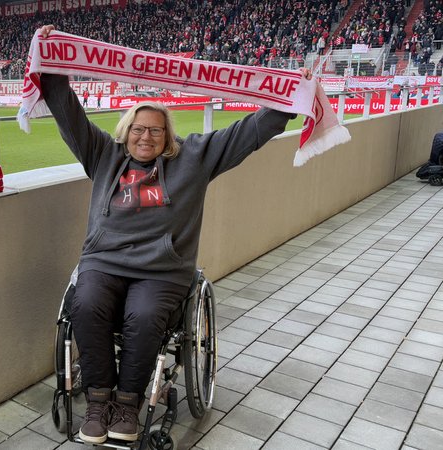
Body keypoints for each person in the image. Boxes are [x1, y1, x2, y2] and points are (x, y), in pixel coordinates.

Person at [35, 24, 311, 445]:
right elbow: (67, 113)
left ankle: (127, 405)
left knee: (144, 317)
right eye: (138, 129)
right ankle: (97, 401)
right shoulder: (103, 155)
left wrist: (291, 99)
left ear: (168, 136)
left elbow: (247, 134)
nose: (146, 136)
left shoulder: (195, 158)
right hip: (103, 261)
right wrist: (50, 60)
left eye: (156, 130)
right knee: (85, 305)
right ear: (126, 132)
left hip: (162, 270)